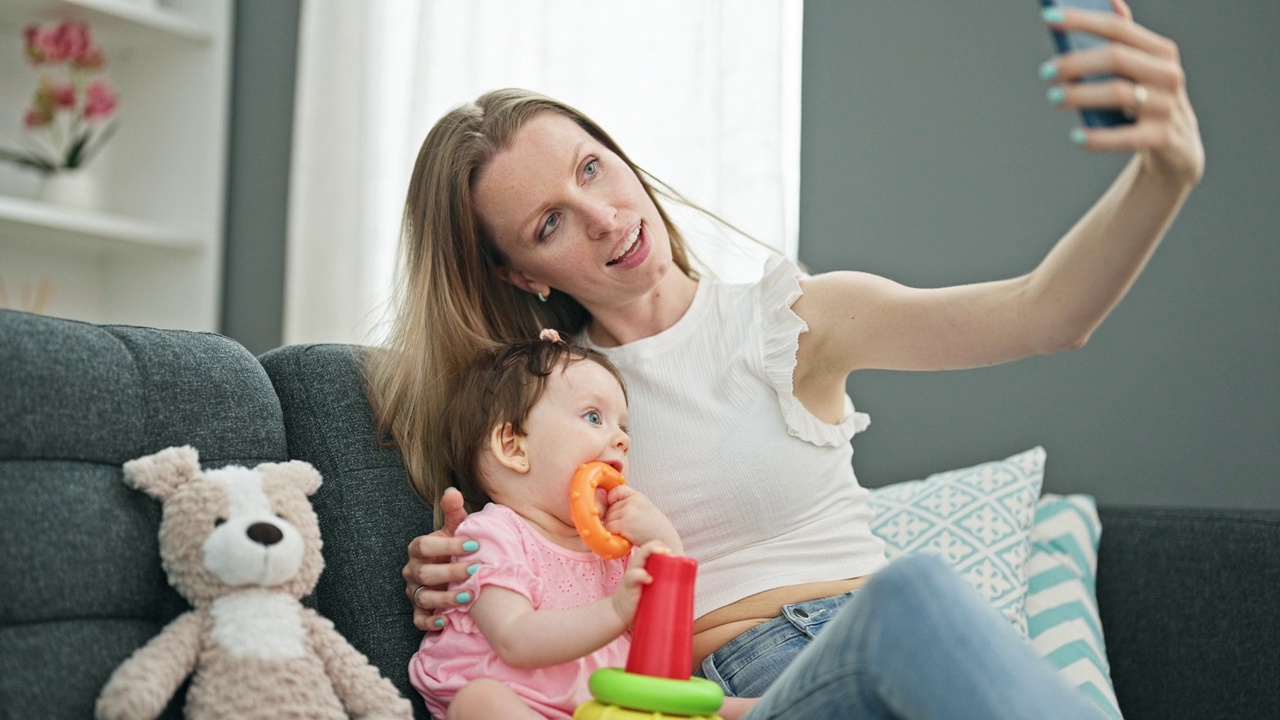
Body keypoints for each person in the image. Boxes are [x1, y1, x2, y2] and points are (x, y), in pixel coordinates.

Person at [370, 3, 1202, 718]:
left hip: (896, 654)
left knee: (912, 601)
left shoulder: (789, 321)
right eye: (548, 223)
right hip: (751, 686)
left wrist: (1166, 172)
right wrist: (448, 569)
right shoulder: (543, 412)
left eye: (593, 168)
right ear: (519, 273)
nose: (599, 215)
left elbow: (1044, 316)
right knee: (913, 593)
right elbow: (512, 571)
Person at [406, 331, 759, 720]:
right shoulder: (492, 535)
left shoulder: (615, 549)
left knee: (702, 702)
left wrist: (664, 543)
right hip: (521, 700)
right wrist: (615, 610)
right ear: (514, 447)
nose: (621, 439)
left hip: (604, 702)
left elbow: (659, 649)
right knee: (480, 701)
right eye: (594, 417)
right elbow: (514, 640)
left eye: (624, 428)